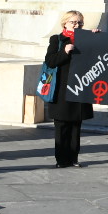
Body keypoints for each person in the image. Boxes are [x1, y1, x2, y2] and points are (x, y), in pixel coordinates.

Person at [44, 10, 94, 167]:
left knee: (75, 126)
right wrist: (64, 52)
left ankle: (73, 158)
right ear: (65, 23)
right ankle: (61, 159)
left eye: (80, 23)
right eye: (73, 22)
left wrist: (97, 39)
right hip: (61, 90)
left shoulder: (86, 40)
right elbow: (50, 61)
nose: (77, 25)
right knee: (62, 126)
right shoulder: (57, 39)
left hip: (79, 88)